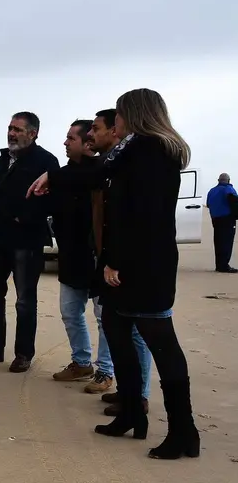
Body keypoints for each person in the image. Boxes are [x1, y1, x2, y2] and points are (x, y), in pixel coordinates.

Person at [29, 88, 199, 460]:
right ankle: (131, 414)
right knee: (118, 331)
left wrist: (116, 261)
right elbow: (97, 176)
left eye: (119, 114)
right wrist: (52, 177)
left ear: (134, 114)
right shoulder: (131, 151)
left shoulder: (151, 150)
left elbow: (144, 217)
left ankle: (184, 432)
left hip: (145, 264)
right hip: (128, 261)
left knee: (160, 340)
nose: (114, 120)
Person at [0, 112, 60, 373]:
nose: (12, 133)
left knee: (25, 300)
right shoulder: (5, 157)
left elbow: (51, 202)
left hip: (27, 242)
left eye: (18, 129)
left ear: (33, 133)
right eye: (10, 128)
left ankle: (23, 354)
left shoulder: (46, 161)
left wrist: (22, 218)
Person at [86, 110, 154, 416]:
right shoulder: (109, 163)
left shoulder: (127, 163)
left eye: (96, 129)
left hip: (128, 262)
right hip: (111, 258)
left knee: (136, 330)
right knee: (119, 328)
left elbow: (127, 218)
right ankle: (128, 392)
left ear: (115, 130)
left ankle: (138, 396)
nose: (92, 134)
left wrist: (115, 261)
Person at [50, 119, 115, 392]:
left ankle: (106, 371)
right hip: (70, 255)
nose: (65, 142)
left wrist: (50, 177)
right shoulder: (63, 174)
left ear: (87, 143)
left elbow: (90, 180)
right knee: (70, 312)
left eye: (71, 138)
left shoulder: (100, 171)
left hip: (98, 257)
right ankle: (81, 362)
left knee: (104, 317)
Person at [206, 173, 238, 273]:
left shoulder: (211, 191)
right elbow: (234, 202)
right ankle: (224, 266)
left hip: (216, 219)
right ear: (228, 180)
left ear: (218, 180)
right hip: (227, 219)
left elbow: (208, 204)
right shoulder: (228, 189)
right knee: (227, 242)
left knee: (218, 242)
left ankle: (219, 265)